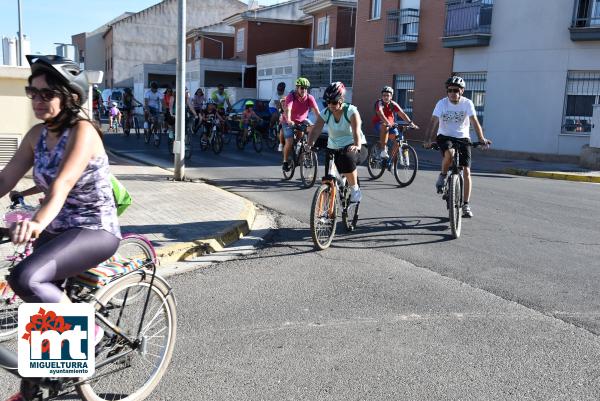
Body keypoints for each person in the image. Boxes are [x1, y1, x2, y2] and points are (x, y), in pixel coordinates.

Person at [0, 54, 120, 353]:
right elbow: (5, 180)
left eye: (47, 93)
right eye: (33, 92)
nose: (37, 100)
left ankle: (90, 332)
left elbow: (62, 184)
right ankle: (39, 388)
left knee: (25, 278)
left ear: (70, 97)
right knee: (42, 313)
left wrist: (37, 222)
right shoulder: (35, 136)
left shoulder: (83, 131)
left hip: (94, 229)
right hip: (57, 230)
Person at [424, 76, 491, 218]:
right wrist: (428, 139)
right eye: (450, 90)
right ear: (447, 91)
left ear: (462, 91)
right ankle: (443, 175)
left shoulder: (467, 103)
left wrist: (481, 139)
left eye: (456, 90)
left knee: (466, 171)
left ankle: (466, 204)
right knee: (450, 153)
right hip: (445, 136)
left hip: (463, 138)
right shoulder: (441, 103)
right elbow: (433, 121)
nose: (452, 93)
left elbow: (474, 121)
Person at [307, 82, 366, 202]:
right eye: (327, 102)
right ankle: (328, 211)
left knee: (346, 158)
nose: (330, 105)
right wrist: (309, 144)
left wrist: (357, 145)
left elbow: (356, 130)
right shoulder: (326, 113)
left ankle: (355, 190)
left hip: (355, 146)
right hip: (333, 147)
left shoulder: (351, 111)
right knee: (328, 178)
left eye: (333, 102)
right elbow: (316, 130)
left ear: (341, 100)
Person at [282, 77, 320, 172]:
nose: (304, 90)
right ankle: (285, 161)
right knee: (289, 142)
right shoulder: (291, 96)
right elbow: (288, 110)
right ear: (297, 88)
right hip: (287, 120)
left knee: (311, 129)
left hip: (301, 120)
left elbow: (317, 111)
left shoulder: (309, 98)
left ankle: (304, 148)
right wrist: (289, 120)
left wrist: (321, 121)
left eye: (306, 88)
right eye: (302, 88)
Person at [372, 86, 418, 159]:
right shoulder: (379, 103)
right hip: (379, 124)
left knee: (398, 142)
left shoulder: (393, 104)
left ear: (391, 96)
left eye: (388, 95)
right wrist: (387, 123)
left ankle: (391, 162)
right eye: (384, 95)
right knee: (385, 125)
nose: (385, 97)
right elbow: (380, 113)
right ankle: (383, 150)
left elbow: (402, 114)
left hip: (391, 125)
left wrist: (411, 123)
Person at [269, 82, 286, 152]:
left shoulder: (286, 94)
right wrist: (281, 112)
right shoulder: (275, 94)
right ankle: (270, 129)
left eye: (280, 91)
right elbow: (277, 105)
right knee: (276, 115)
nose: (279, 92)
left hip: (282, 107)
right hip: (273, 107)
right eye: (278, 90)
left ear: (283, 90)